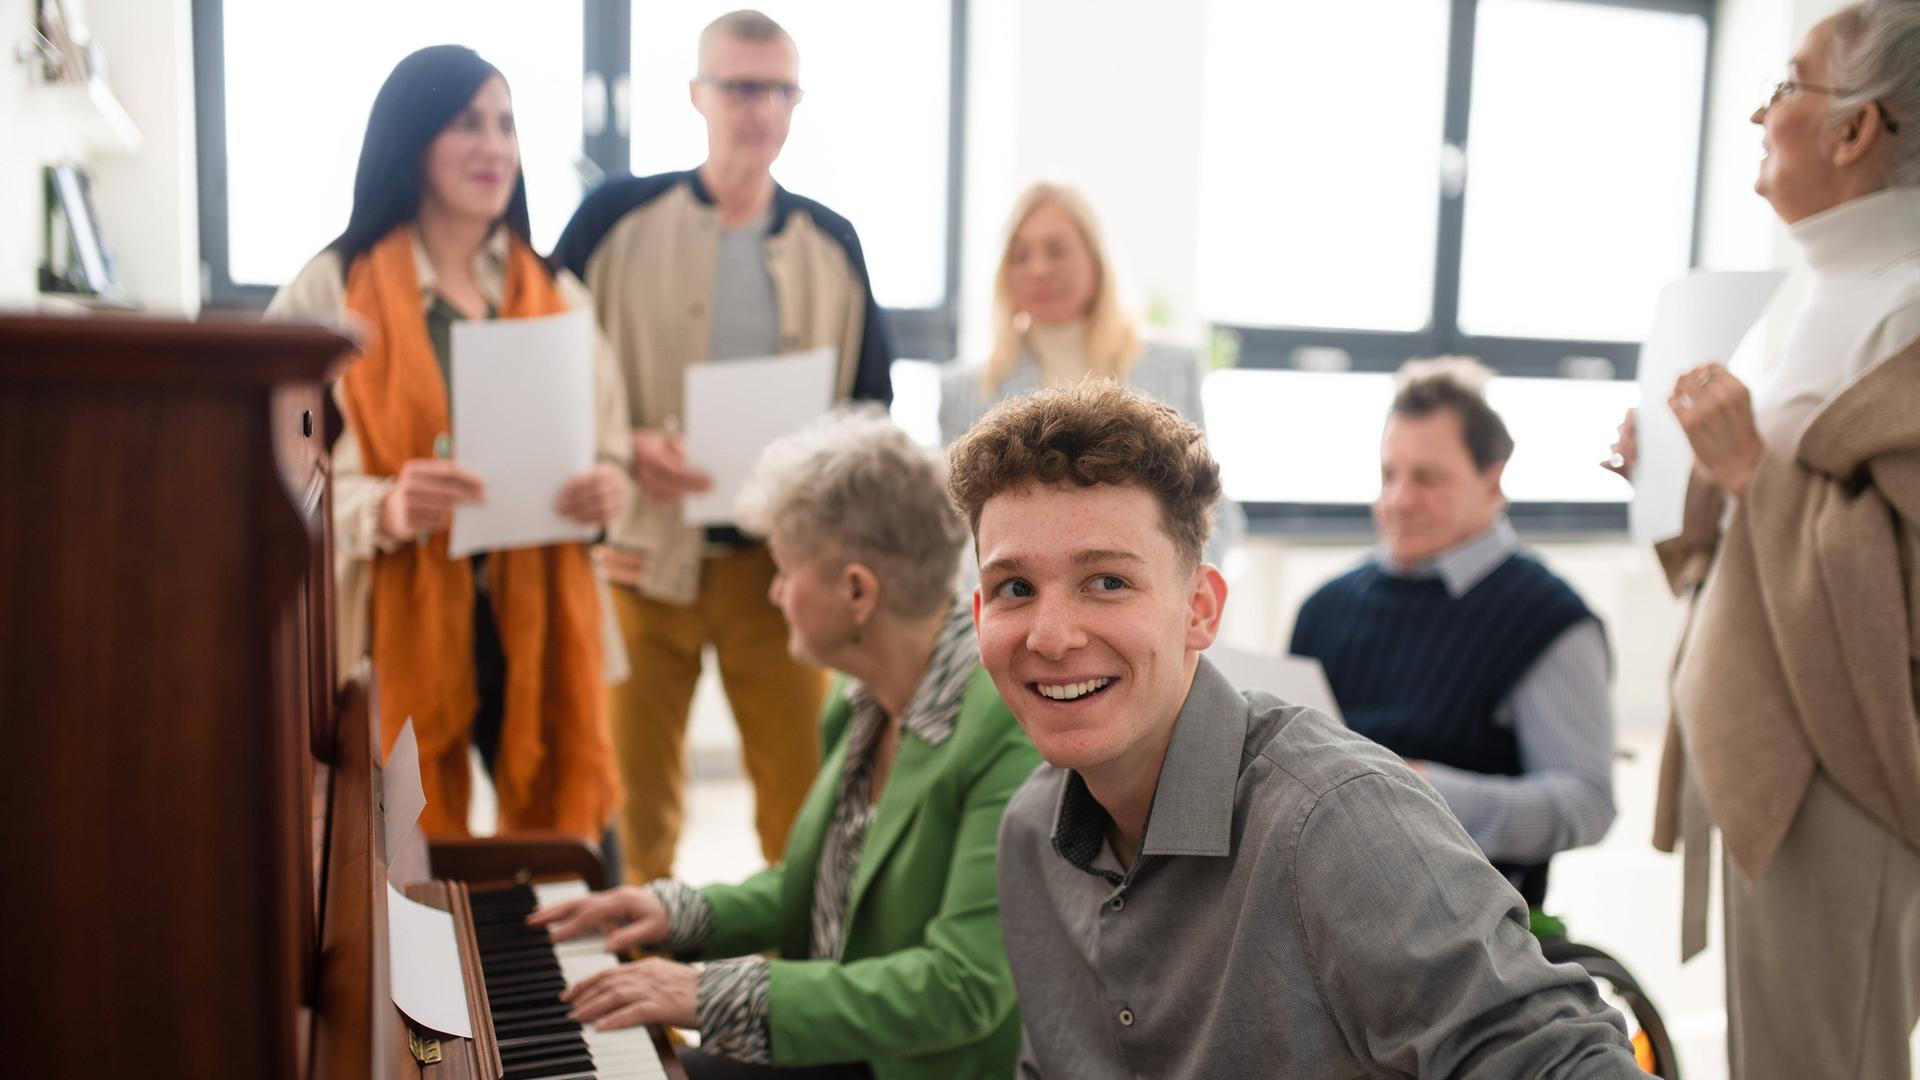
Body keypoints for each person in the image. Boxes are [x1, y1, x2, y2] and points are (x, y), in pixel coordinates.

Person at [950, 381, 1644, 1078]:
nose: (1050, 635)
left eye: (1106, 582)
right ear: (979, 612)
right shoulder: (1029, 832)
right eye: (1015, 589)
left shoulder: (1334, 820)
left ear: (1200, 610)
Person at [527, 412, 1038, 1079]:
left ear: (857, 591)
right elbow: (826, 883)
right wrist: (673, 913)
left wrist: (706, 994)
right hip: (836, 1042)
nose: (773, 593)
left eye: (784, 571)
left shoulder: (1005, 728)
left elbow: (961, 986)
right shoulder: (859, 697)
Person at [1605, 3, 1920, 1075]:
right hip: (1780, 749)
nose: (1757, 109)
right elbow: (1767, 513)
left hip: (1846, 768)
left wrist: (1749, 470)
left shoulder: (1907, 303)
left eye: (1787, 84)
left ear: (1854, 130)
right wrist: (1689, 473)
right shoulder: (1814, 293)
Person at [550, 9, 895, 884]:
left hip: (780, 576)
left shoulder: (834, 242)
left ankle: (795, 1006)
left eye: (781, 89)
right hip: (640, 565)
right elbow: (539, 372)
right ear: (698, 95)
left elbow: (870, 414)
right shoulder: (612, 221)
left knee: (802, 809)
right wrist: (623, 445)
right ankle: (639, 1002)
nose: (762, 108)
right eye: (742, 86)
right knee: (633, 812)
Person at [267, 45, 628, 838]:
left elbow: (612, 453)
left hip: (535, 613)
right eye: (467, 123)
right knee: (395, 849)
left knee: (576, 845)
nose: (495, 146)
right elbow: (269, 473)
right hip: (387, 625)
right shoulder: (330, 290)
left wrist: (608, 491)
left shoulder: (557, 293)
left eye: (506, 124)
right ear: (412, 138)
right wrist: (384, 507)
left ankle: (576, 961)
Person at [1290, 358, 1615, 907]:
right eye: (1389, 475)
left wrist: (1420, 793)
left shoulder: (1547, 620)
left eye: (1428, 477)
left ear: (1493, 480)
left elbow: (1585, 803)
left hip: (1454, 917)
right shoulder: (1325, 607)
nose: (1398, 500)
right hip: (1311, 893)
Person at [937, 181, 1243, 562]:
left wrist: (1180, 602)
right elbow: (961, 536)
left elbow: (1212, 512)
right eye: (1020, 255)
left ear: (1095, 257)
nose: (1039, 269)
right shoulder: (965, 390)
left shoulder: (1173, 368)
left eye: (1056, 250)